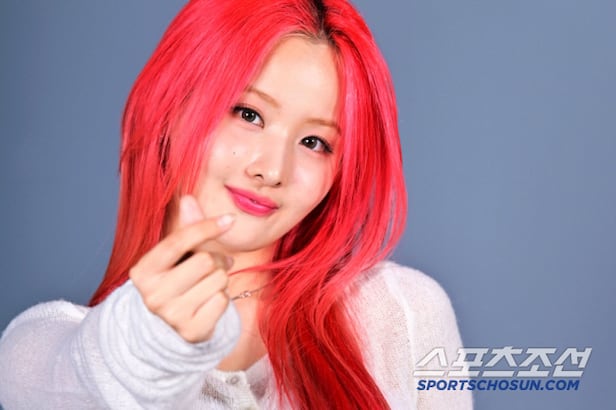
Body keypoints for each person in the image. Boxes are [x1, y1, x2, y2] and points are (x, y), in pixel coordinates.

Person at [0, 0, 472, 409]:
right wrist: (151, 338)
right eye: (249, 114)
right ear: (171, 107)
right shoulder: (36, 354)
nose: (272, 169)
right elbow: (80, 375)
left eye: (314, 142)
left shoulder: (402, 313)